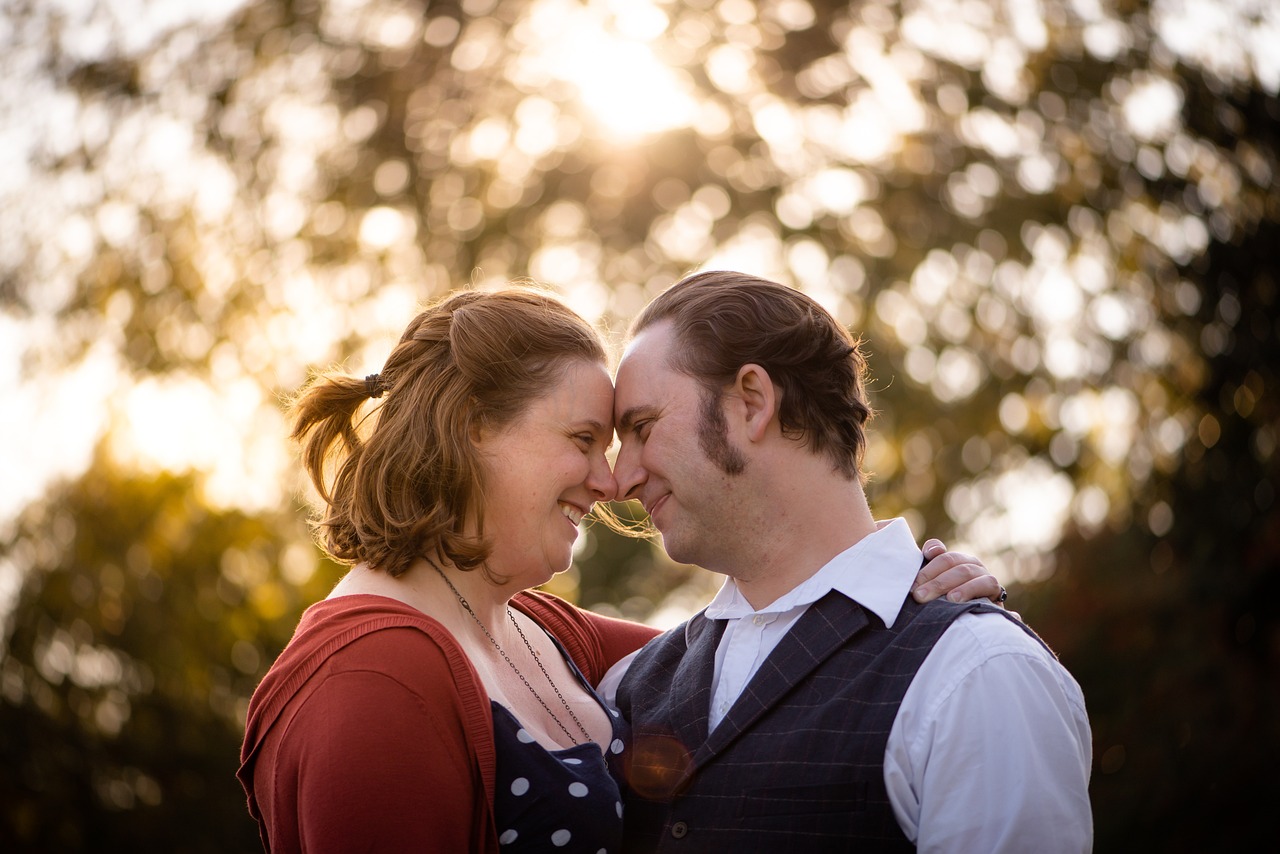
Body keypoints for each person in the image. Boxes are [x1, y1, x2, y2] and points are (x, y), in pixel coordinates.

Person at [236, 286, 995, 853]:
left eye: (626, 438)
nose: (610, 483)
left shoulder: (553, 636)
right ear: (471, 426)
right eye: (584, 438)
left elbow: (775, 652)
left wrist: (927, 591)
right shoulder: (373, 678)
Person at [602, 271, 1093, 852]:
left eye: (642, 427)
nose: (620, 479)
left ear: (753, 403)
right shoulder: (624, 688)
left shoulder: (979, 673)